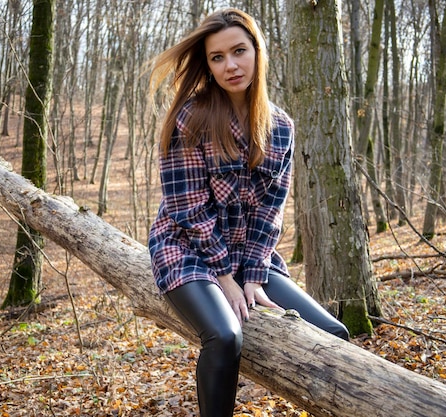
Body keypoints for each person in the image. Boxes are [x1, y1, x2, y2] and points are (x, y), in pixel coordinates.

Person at [148, 8, 349, 417]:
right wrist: (225, 277)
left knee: (333, 334)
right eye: (217, 57)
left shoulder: (281, 127)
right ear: (207, 65)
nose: (230, 65)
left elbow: (270, 213)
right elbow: (188, 211)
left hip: (249, 255)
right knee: (225, 336)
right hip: (187, 250)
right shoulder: (191, 119)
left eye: (239, 51)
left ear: (258, 51)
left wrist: (254, 277)